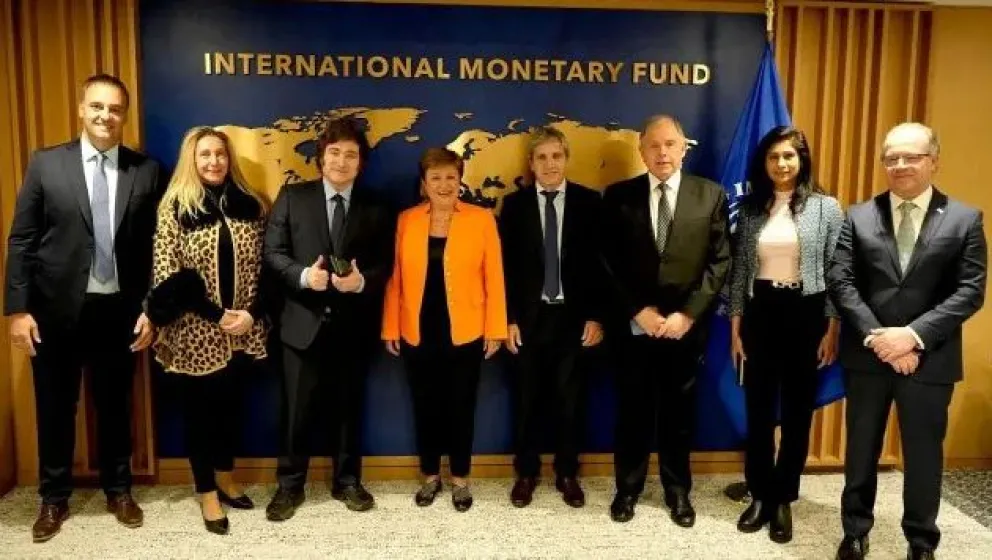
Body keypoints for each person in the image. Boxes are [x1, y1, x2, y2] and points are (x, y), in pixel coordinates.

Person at [4, 74, 162, 542]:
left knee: (115, 406)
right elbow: (22, 239)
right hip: (53, 313)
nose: (105, 116)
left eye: (114, 109)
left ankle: (119, 490)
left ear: (124, 115)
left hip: (119, 312)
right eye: (96, 106)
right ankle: (54, 498)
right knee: (55, 408)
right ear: (81, 109)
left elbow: (158, 247)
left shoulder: (146, 171)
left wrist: (151, 307)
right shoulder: (46, 163)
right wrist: (18, 310)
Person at [828, 122, 987, 560]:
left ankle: (921, 540)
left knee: (923, 454)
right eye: (891, 157)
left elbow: (970, 290)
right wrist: (880, 340)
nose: (900, 165)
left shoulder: (965, 219)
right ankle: (855, 530)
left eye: (911, 156)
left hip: (930, 358)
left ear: (933, 161)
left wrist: (913, 337)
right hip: (869, 356)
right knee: (861, 449)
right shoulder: (859, 216)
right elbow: (841, 281)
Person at [263, 118, 395, 520]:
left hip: (353, 327)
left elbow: (386, 264)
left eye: (351, 155)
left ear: (361, 163)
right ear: (321, 158)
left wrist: (361, 281)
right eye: (334, 152)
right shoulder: (292, 196)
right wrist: (305, 276)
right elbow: (273, 253)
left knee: (348, 410)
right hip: (301, 324)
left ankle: (347, 481)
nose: (341, 161)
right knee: (295, 413)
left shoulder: (377, 206)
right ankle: (289, 486)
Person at [602, 114, 731, 526]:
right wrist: (636, 310)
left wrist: (687, 315)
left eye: (670, 144)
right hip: (634, 328)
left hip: (683, 330)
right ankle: (628, 489)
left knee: (679, 417)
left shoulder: (710, 195)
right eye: (654, 145)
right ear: (641, 150)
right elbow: (606, 263)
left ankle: (678, 492)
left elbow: (720, 262)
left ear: (683, 148)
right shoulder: (618, 196)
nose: (662, 153)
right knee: (632, 414)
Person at [145, 127, 268, 535]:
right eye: (205, 155)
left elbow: (263, 267)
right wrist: (216, 315)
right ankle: (206, 491)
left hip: (243, 329)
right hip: (195, 331)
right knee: (199, 416)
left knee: (231, 410)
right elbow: (168, 276)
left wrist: (250, 314)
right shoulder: (175, 207)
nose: (214, 161)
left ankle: (225, 476)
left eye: (220, 154)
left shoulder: (250, 204)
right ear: (192, 160)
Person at [728, 126, 843, 543]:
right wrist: (736, 328)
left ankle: (783, 499)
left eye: (789, 156)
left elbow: (836, 272)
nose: (781, 163)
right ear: (764, 162)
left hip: (806, 313)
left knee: (797, 413)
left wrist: (831, 327)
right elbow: (740, 272)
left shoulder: (826, 208)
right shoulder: (751, 209)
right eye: (773, 156)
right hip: (760, 312)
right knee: (758, 410)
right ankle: (760, 493)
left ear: (802, 160)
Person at [382, 147, 506, 512]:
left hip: (466, 331)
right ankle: (429, 477)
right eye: (435, 178)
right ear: (424, 184)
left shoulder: (481, 219)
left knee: (461, 408)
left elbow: (495, 278)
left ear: (460, 181)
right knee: (425, 407)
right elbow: (395, 278)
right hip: (417, 330)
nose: (444, 184)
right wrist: (390, 326)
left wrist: (496, 328)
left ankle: (461, 480)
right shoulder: (406, 220)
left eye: (451, 177)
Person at [499, 126, 604, 508]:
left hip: (574, 318)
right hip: (528, 319)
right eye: (541, 157)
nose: (549, 164)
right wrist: (508, 319)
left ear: (566, 159)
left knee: (570, 402)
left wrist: (596, 316)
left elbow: (600, 266)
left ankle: (567, 473)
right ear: (531, 163)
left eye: (556, 156)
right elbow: (504, 268)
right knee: (526, 401)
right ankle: (526, 473)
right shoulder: (514, 206)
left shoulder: (589, 203)